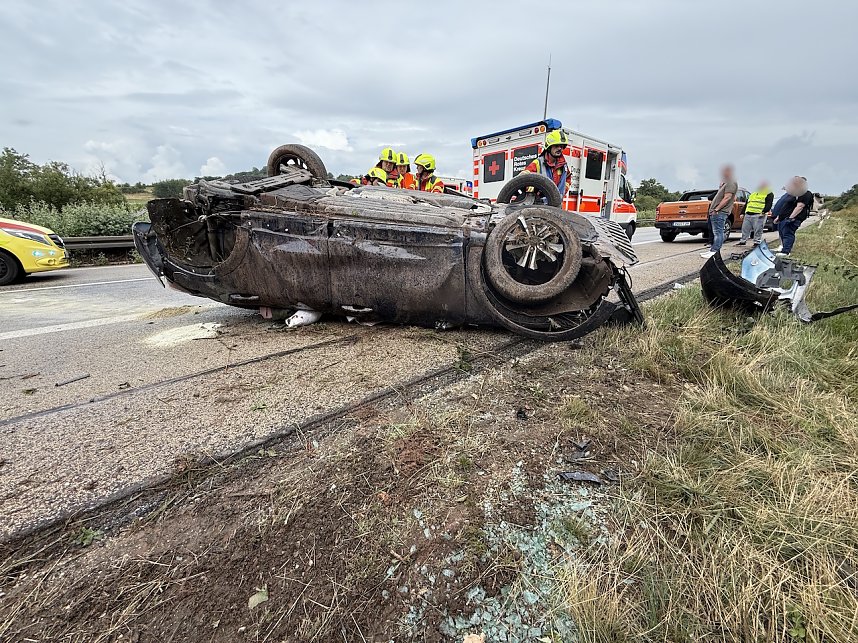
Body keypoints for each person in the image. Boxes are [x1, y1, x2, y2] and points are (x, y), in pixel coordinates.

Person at [520, 130, 573, 197]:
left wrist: (563, 191)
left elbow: (568, 178)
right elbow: (522, 179)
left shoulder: (563, 165)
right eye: (556, 146)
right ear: (549, 147)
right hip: (540, 205)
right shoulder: (538, 163)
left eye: (562, 146)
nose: (560, 149)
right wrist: (534, 190)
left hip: (557, 204)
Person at [701, 164, 738, 259]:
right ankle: (712, 249)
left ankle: (715, 251)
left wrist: (716, 209)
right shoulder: (726, 184)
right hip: (717, 212)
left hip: (720, 212)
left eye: (725, 171)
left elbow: (727, 198)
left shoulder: (731, 183)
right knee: (716, 232)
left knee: (718, 232)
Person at [772, 176, 813, 256]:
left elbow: (800, 206)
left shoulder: (805, 193)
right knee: (783, 233)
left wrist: (791, 218)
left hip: (793, 218)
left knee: (788, 233)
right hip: (784, 218)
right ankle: (783, 248)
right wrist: (779, 217)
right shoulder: (793, 193)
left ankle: (786, 252)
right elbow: (786, 206)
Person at [737, 181, 774, 246]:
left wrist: (764, 212)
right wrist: (742, 213)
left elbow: (769, 204)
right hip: (748, 214)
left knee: (758, 229)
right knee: (745, 228)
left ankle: (756, 242)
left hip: (759, 214)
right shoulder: (754, 193)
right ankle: (743, 241)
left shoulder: (769, 193)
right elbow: (747, 203)